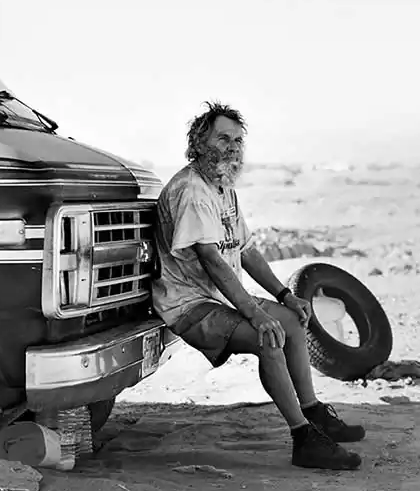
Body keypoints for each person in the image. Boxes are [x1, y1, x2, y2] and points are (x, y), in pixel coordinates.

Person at [152, 101, 364, 471]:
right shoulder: (191, 191)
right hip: (188, 304)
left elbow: (246, 251)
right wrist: (256, 314)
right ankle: (303, 439)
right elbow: (212, 260)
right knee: (270, 336)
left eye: (237, 141)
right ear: (199, 142)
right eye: (223, 139)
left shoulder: (223, 189)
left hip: (218, 297)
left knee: (292, 321)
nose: (232, 148)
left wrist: (284, 296)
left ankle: (313, 412)